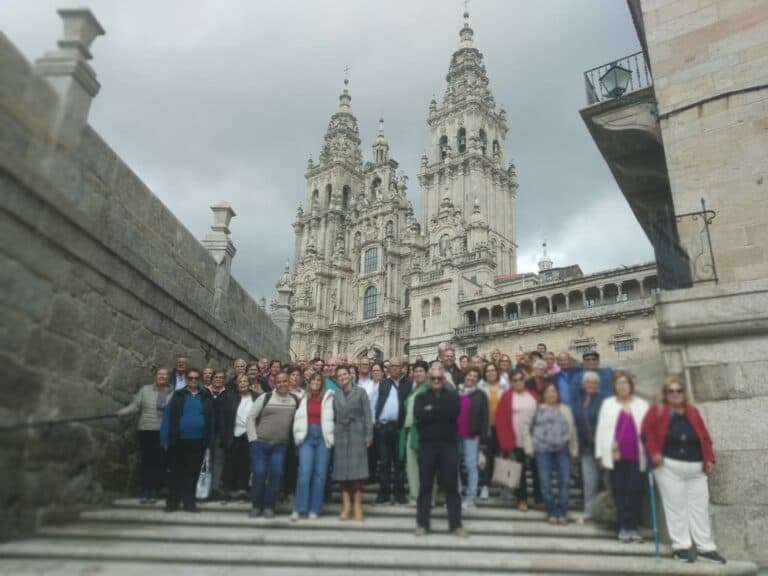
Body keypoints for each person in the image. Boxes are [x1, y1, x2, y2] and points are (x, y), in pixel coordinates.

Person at [641, 378, 726, 564]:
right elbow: (647, 434)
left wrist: (709, 458)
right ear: (665, 394)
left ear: (683, 392)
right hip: (669, 466)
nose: (675, 394)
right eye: (671, 391)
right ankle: (681, 547)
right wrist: (654, 453)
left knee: (699, 509)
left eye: (678, 390)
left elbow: (704, 436)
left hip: (696, 467)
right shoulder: (657, 411)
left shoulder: (692, 412)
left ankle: (706, 548)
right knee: (676, 508)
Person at [595, 371, 649, 543]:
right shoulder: (608, 404)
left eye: (624, 382)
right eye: (618, 383)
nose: (622, 386)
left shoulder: (641, 404)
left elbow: (648, 430)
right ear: (614, 386)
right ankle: (622, 527)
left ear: (631, 385)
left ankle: (632, 527)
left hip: (636, 455)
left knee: (635, 490)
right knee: (619, 491)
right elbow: (601, 431)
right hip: (615, 456)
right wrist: (600, 455)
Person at [414, 363, 465, 537]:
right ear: (429, 379)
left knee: (451, 486)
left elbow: (453, 413)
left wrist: (432, 412)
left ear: (444, 379)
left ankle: (456, 524)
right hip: (427, 446)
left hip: (448, 446)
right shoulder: (421, 398)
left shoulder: (452, 396)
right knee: (425, 486)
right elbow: (419, 416)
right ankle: (422, 523)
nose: (436, 381)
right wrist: (439, 412)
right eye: (433, 378)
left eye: (439, 378)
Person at [246, 371, 299, 518]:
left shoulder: (294, 400)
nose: (282, 384)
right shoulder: (265, 397)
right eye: (279, 382)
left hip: (280, 446)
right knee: (259, 474)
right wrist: (253, 439)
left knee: (276, 474)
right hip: (260, 444)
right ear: (275, 384)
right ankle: (256, 506)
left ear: (289, 382)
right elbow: (250, 418)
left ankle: (269, 506)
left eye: (285, 381)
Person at [159, 368, 213, 512]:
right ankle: (172, 504)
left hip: (199, 441)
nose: (193, 380)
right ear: (187, 379)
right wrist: (164, 439)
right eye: (190, 378)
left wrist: (209, 441)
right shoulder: (178, 395)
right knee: (176, 473)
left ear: (199, 380)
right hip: (178, 440)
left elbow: (211, 419)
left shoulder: (206, 396)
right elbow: (167, 418)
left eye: (196, 378)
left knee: (193, 473)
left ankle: (189, 503)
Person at [524, 382, 578, 524]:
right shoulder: (536, 409)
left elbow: (573, 430)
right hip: (542, 450)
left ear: (558, 394)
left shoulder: (565, 409)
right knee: (545, 483)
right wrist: (529, 447)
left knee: (565, 482)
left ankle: (562, 511)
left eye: (554, 391)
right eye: (548, 391)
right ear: (543, 394)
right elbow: (526, 428)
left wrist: (573, 450)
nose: (551, 394)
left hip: (562, 449)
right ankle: (551, 511)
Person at [116, 366, 171, 503]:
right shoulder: (145, 390)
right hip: (146, 430)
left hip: (162, 432)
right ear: (155, 376)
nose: (162, 377)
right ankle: (145, 490)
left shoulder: (171, 393)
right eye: (160, 374)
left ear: (168, 378)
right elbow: (135, 406)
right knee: (146, 461)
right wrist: (121, 412)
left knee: (158, 462)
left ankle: (154, 491)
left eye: (165, 375)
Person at [331, 364, 373, 520]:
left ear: (350, 375)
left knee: (357, 474)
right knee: (342, 474)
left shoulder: (361, 392)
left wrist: (368, 436)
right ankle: (346, 506)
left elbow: (368, 416)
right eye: (339, 376)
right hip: (341, 435)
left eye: (344, 374)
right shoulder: (335, 395)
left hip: (357, 434)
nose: (342, 377)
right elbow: (333, 416)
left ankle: (357, 505)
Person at [291, 373, 335, 520]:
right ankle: (300, 507)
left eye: (318, 380)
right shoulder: (302, 397)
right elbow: (295, 417)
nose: (316, 382)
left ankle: (314, 509)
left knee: (320, 474)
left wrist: (331, 436)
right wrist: (297, 435)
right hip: (306, 437)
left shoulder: (329, 397)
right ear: (309, 382)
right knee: (304, 472)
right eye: (313, 380)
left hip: (323, 438)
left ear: (322, 383)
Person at [495, 369, 540, 511]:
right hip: (515, 440)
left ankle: (539, 499)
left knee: (537, 471)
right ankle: (522, 499)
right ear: (511, 382)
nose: (519, 382)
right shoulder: (507, 396)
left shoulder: (533, 395)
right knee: (519, 473)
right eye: (515, 380)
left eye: (521, 379)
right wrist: (505, 443)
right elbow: (500, 420)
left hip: (535, 440)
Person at [571, 370, 605, 522]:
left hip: (603, 449)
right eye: (587, 382)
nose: (590, 385)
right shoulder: (579, 401)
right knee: (589, 482)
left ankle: (609, 512)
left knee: (607, 482)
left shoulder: (604, 401)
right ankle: (590, 511)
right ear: (583, 385)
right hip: (585, 448)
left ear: (598, 385)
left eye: (593, 383)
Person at [399, 360, 430, 506]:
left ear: (426, 373)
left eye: (420, 371)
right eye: (415, 371)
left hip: (425, 433)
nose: (417, 374)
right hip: (411, 431)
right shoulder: (413, 390)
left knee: (427, 468)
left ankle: (427, 497)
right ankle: (415, 496)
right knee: (411, 467)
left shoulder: (430, 389)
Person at [222, 373, 257, 501]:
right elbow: (224, 418)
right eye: (240, 381)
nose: (243, 383)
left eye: (245, 381)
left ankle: (243, 490)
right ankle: (229, 491)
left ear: (249, 383)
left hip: (249, 436)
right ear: (237, 384)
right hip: (233, 435)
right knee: (231, 464)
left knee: (245, 464)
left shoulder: (256, 397)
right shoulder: (230, 397)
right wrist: (224, 436)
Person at [457, 367, 488, 509]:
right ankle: (455, 496)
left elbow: (484, 419)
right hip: (455, 435)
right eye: (470, 375)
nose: (472, 378)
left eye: (475, 376)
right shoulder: (456, 392)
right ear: (465, 375)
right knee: (454, 467)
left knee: (471, 466)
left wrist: (483, 440)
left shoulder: (481, 395)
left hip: (472, 436)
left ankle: (470, 498)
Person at [478, 362, 508, 500]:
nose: (491, 373)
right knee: (487, 458)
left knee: (502, 457)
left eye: (493, 370)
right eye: (488, 370)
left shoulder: (505, 385)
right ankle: (485, 485)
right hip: (486, 428)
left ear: (497, 372)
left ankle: (504, 487)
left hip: (502, 428)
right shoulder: (481, 386)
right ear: (485, 373)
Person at [207, 369, 230, 500]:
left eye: (221, 377)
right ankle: (204, 488)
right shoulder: (205, 393)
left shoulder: (227, 394)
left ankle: (214, 488)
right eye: (216, 377)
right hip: (205, 432)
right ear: (212, 378)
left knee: (218, 461)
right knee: (205, 460)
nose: (219, 379)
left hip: (220, 433)